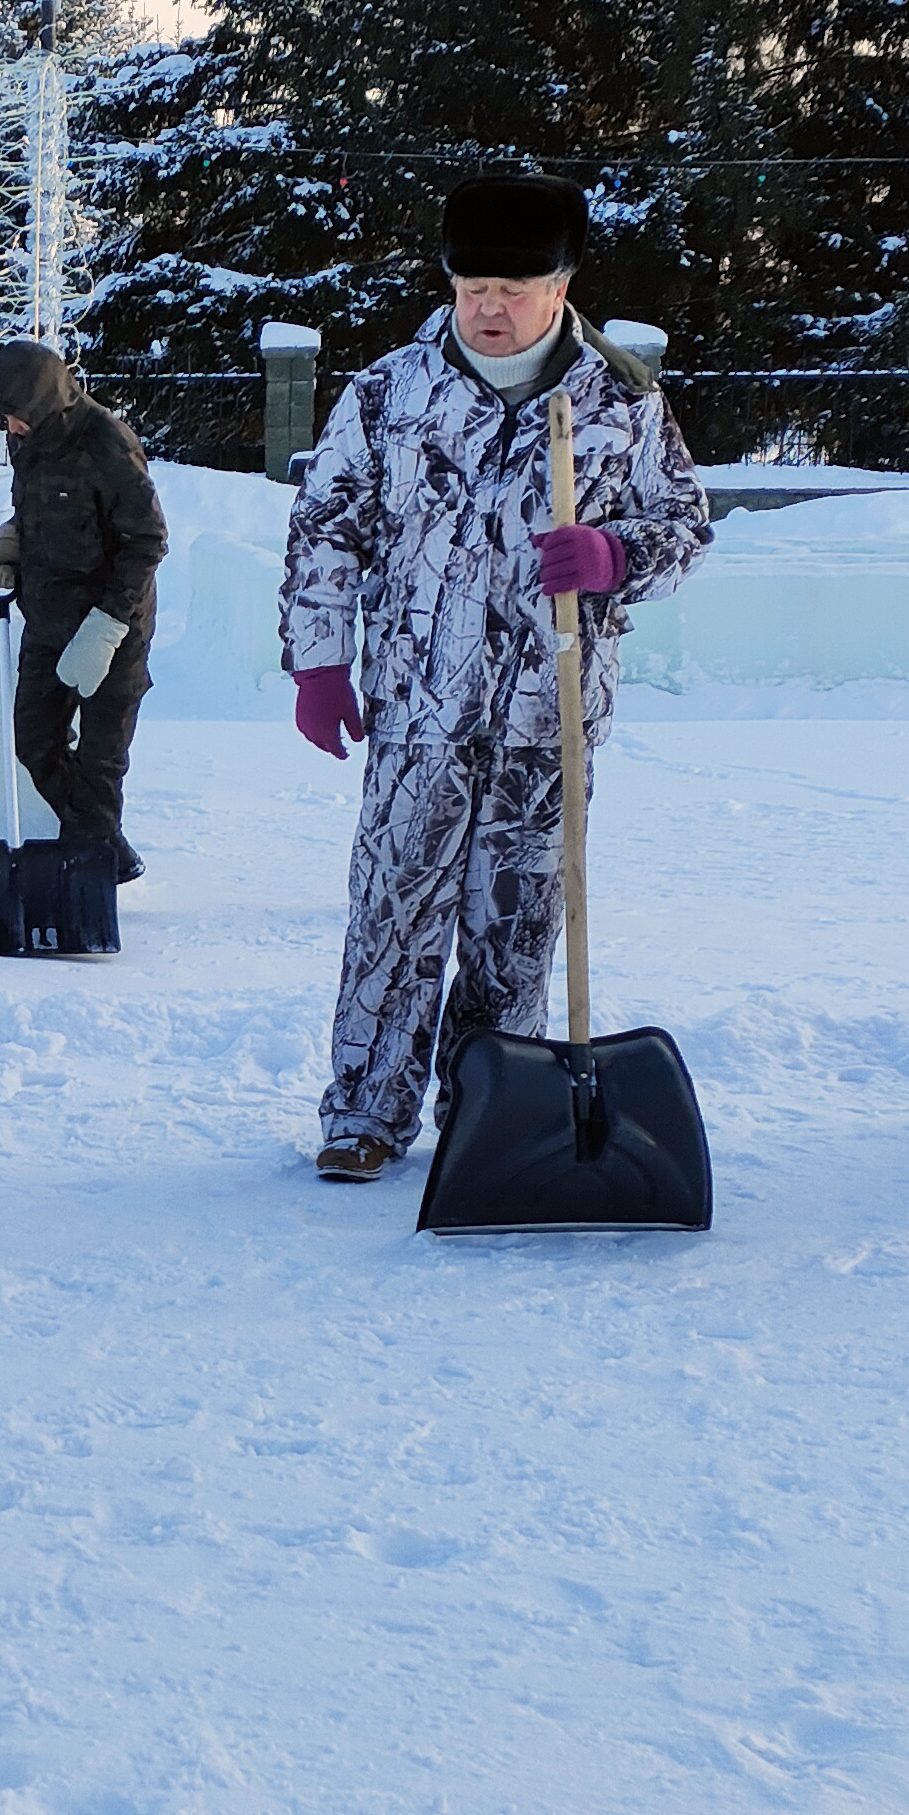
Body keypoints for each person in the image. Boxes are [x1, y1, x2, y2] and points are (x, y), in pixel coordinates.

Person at [280, 172, 715, 1182]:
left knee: (514, 928)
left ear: (560, 287)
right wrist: (319, 660)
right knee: (392, 914)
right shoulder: (389, 391)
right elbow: (325, 531)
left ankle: (490, 1108)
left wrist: (615, 557)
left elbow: (683, 527)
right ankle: (364, 1113)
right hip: (421, 710)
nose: (486, 305)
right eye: (469, 282)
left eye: (512, 287)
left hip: (547, 717)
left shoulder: (620, 400)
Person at [0, 340, 167, 883]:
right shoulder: (28, 441)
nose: (8, 428)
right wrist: (9, 545)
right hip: (49, 617)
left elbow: (147, 541)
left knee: (101, 765)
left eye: (13, 415)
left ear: (41, 404)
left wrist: (106, 627)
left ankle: (85, 881)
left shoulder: (108, 444)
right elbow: (30, 510)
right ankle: (107, 849)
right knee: (34, 740)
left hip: (114, 627)